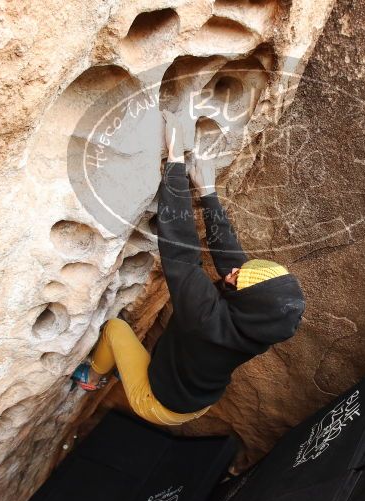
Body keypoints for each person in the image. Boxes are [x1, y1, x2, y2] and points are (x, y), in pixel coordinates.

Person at [70, 111, 306, 426]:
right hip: (198, 399)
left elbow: (180, 249)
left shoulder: (206, 317)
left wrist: (176, 162)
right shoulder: (259, 330)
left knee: (115, 330)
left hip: (157, 403)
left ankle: (93, 377)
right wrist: (208, 193)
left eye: (240, 281)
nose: (234, 273)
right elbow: (230, 259)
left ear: (250, 302)